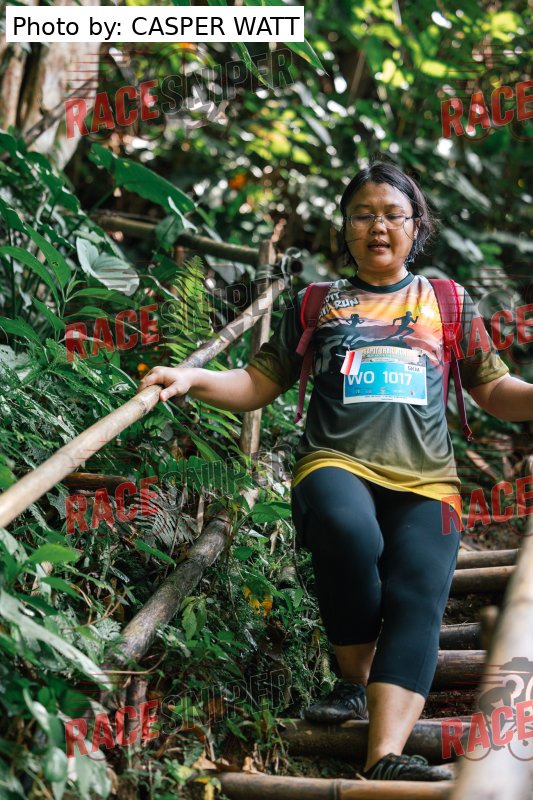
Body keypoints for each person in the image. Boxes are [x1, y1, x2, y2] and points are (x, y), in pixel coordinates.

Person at [137, 161, 533, 782]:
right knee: (348, 531)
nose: (379, 226)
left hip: (428, 481)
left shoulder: (447, 301)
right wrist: (190, 377)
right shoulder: (316, 302)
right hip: (334, 461)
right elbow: (257, 382)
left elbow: (495, 390)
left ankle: (384, 756)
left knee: (417, 594)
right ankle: (354, 680)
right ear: (344, 227)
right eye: (363, 214)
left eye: (393, 215)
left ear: (417, 226)